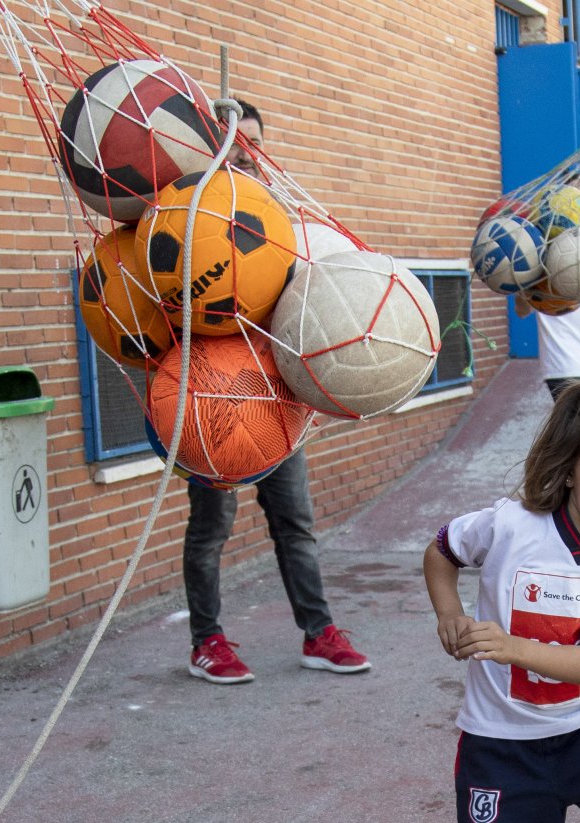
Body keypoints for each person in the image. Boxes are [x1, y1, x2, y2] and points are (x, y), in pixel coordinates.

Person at [424, 383, 580, 823]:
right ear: (568, 469)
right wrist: (450, 614)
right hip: (498, 743)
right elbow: (442, 551)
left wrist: (511, 647)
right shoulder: (510, 524)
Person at [181, 100, 369, 686]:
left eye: (254, 143)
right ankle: (205, 642)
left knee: (295, 523)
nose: (245, 152)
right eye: (233, 142)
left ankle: (320, 634)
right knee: (211, 527)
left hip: (278, 401)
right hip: (214, 397)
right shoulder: (184, 220)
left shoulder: (278, 223)